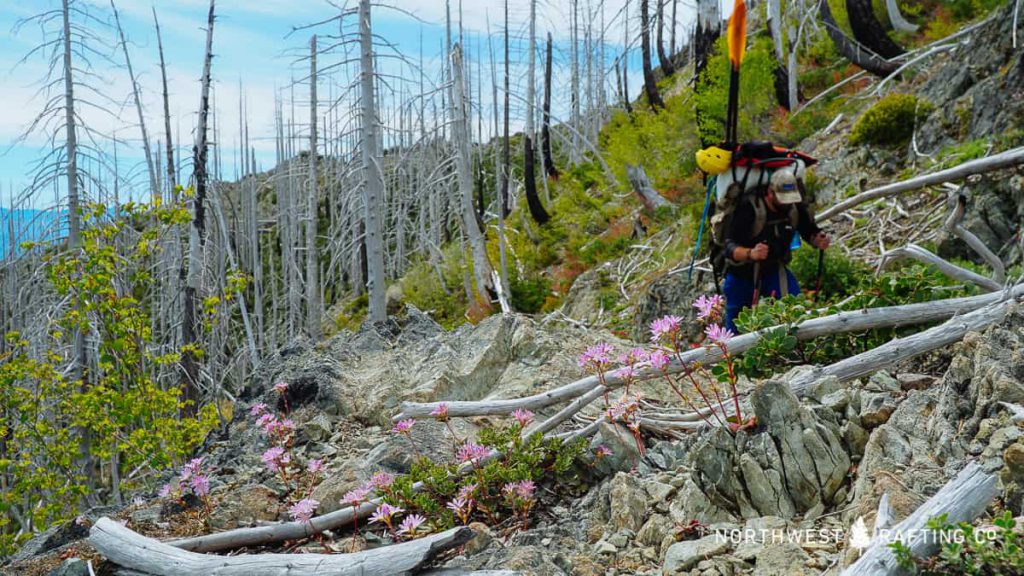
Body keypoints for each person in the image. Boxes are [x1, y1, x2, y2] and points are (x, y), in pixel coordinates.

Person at [722, 169, 830, 332]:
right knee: (736, 327)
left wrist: (817, 238)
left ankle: (799, 347)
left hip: (774, 270)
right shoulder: (748, 208)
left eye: (789, 200)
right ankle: (733, 355)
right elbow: (728, 247)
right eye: (782, 200)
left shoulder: (793, 208)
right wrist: (751, 253)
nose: (786, 204)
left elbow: (807, 229)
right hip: (741, 275)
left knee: (795, 309)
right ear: (770, 193)